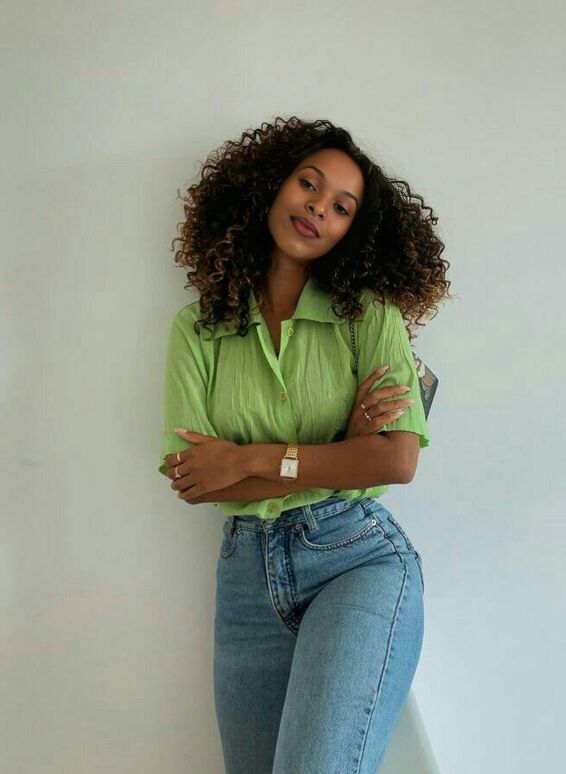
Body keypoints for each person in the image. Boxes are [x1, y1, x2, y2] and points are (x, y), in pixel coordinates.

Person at [158, 116, 452, 773]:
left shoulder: (369, 317)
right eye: (309, 184)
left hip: (356, 559)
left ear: (353, 231)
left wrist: (249, 458)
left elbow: (396, 459)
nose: (320, 208)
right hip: (244, 586)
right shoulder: (198, 329)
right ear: (270, 185)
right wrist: (343, 451)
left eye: (343, 207)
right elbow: (194, 479)